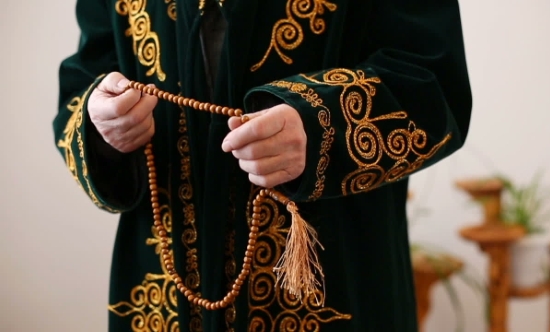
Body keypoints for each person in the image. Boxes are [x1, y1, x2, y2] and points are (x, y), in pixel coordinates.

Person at [53, 0, 472, 331]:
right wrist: (103, 124)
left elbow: (434, 81)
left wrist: (321, 125)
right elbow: (86, 79)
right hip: (161, 289)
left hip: (334, 284)